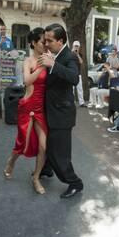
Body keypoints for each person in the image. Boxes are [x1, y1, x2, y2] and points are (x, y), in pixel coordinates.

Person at [36, 23, 84, 199]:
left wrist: (53, 64)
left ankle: (75, 183)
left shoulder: (69, 56)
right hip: (52, 111)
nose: (46, 43)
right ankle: (47, 169)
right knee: (49, 145)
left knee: (60, 153)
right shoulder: (55, 54)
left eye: (49, 40)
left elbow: (73, 78)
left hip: (62, 115)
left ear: (60, 40)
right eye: (45, 40)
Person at [3, 28, 48, 195]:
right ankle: (11, 161)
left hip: (41, 108)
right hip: (28, 106)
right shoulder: (28, 61)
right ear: (34, 43)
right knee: (23, 142)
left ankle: (36, 177)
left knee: (43, 146)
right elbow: (27, 81)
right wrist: (41, 66)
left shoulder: (48, 59)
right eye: (43, 41)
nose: (45, 44)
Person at [71, 40, 86, 107]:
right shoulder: (70, 53)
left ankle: (81, 103)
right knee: (71, 89)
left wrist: (77, 54)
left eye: (77, 46)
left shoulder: (80, 54)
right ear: (73, 46)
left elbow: (81, 62)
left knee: (80, 89)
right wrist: (72, 51)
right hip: (71, 74)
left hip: (78, 74)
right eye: (75, 46)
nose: (76, 47)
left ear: (79, 47)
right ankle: (71, 102)